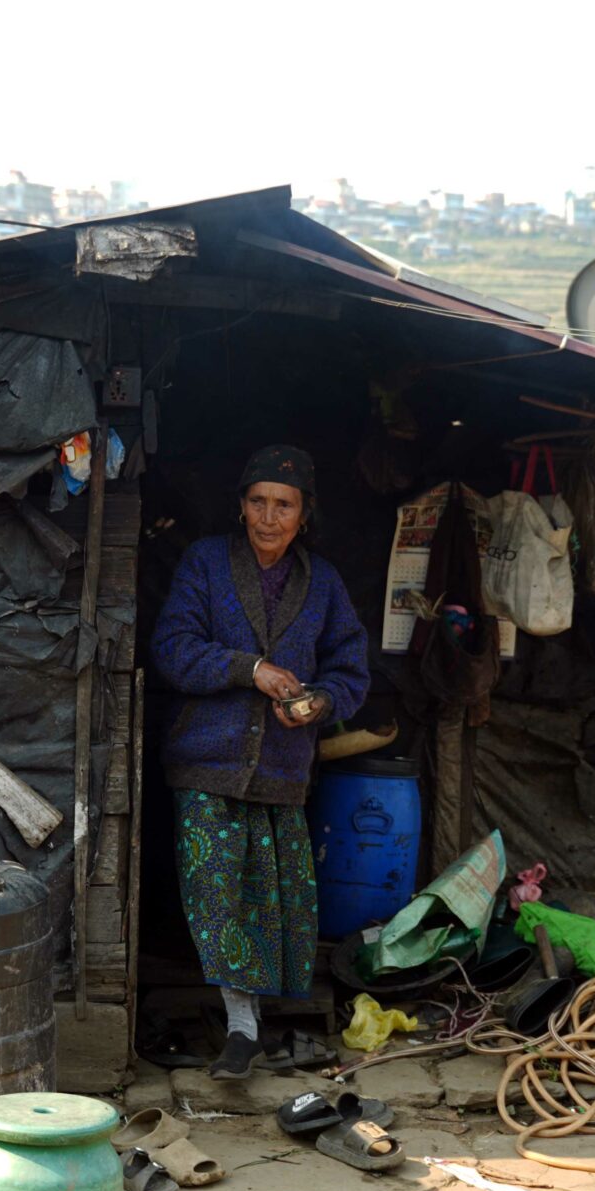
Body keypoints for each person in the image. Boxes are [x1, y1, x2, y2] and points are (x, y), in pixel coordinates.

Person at [150, 444, 370, 1078]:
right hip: (207, 762)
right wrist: (251, 670)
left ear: (305, 514)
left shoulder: (322, 582)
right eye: (258, 502)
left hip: (281, 768)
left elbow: (350, 669)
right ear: (240, 506)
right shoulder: (206, 562)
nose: (269, 518)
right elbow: (172, 647)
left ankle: (254, 1023)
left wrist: (320, 701)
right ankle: (242, 1030)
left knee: (271, 900)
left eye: (284, 505)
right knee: (216, 892)